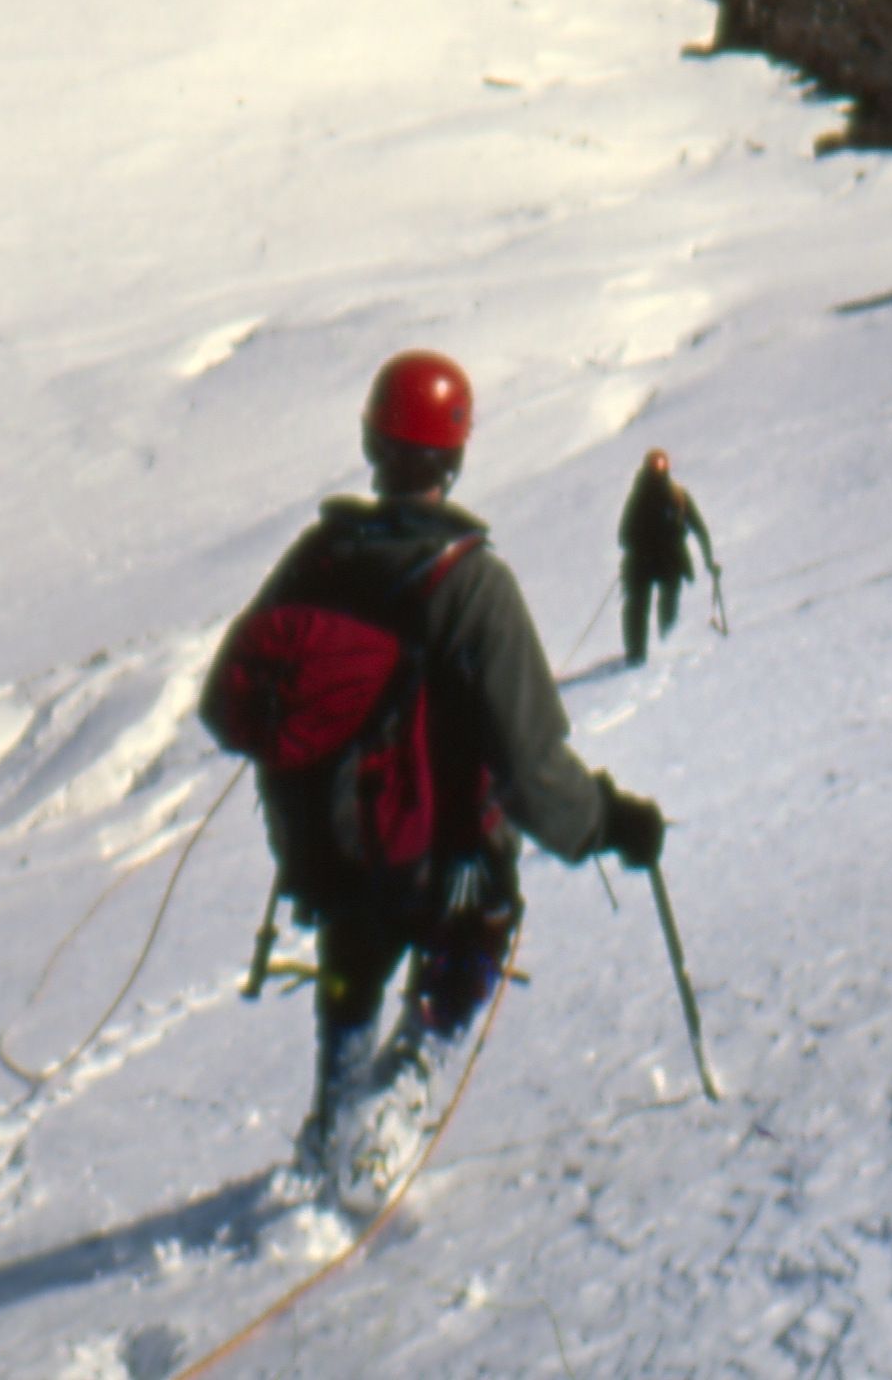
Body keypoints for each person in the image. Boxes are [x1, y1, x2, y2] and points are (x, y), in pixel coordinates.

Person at [207, 349, 668, 1197]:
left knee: (355, 951)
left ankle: (334, 1121)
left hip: (322, 850)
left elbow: (226, 701)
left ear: (371, 443)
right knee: (477, 932)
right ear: (453, 457)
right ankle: (393, 1113)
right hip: (437, 862)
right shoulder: (470, 584)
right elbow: (531, 767)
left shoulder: (317, 556)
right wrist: (610, 823)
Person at [615, 446, 718, 666]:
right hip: (653, 561)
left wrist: (709, 559)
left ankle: (656, 649)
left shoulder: (673, 496)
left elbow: (699, 527)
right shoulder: (662, 496)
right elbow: (624, 535)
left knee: (652, 605)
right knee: (641, 607)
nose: (658, 470)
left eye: (660, 464)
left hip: (659, 561)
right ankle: (641, 653)